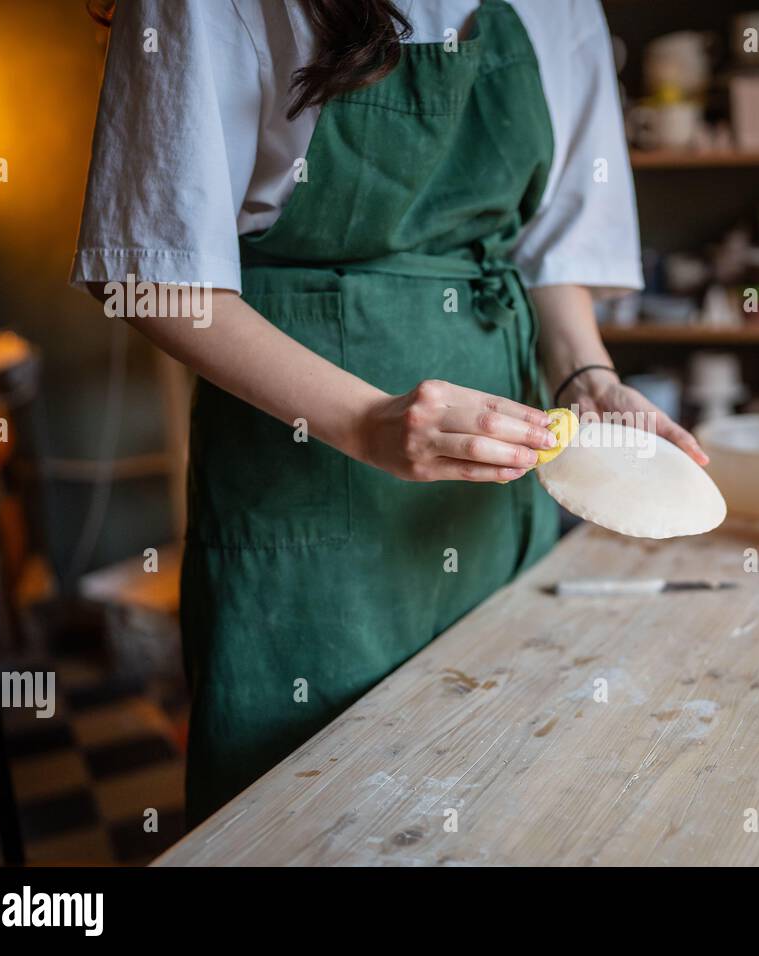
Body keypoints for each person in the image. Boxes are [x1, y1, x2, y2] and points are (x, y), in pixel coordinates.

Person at [71, 0, 707, 824]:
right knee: (310, 812)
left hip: (497, 478)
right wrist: (366, 420)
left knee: (503, 781)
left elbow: (553, 250)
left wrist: (586, 375)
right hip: (305, 488)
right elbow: (150, 270)